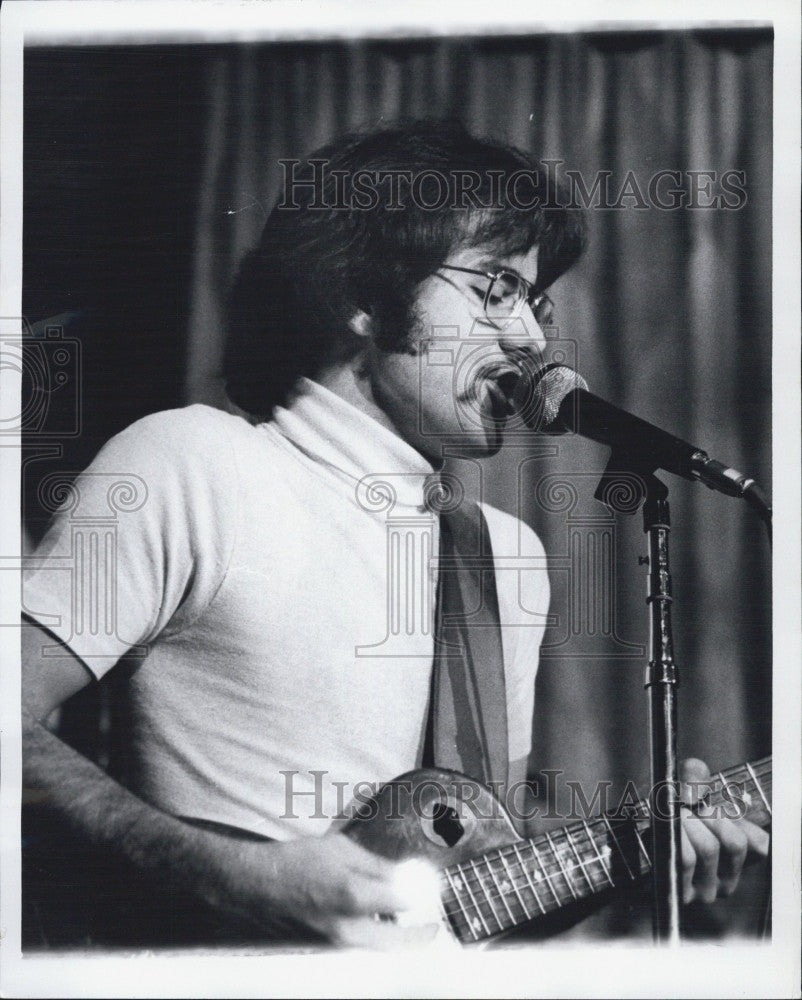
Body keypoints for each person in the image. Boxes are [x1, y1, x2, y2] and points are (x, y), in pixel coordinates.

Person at [21, 121, 768, 949]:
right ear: (361, 293)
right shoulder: (189, 463)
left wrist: (649, 860)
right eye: (495, 288)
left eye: (534, 300)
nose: (530, 338)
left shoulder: (505, 556)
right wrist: (233, 874)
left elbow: (474, 899)